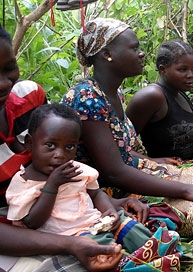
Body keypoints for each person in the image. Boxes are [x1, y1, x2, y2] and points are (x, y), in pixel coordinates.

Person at [0, 25, 146, 272]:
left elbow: (55, 168)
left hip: (61, 215)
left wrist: (107, 204)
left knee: (133, 229)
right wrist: (69, 244)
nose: (4, 83)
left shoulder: (29, 97)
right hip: (20, 230)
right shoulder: (88, 95)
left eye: (9, 69)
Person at [60, 18, 193, 232]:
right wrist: (184, 191)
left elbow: (117, 150)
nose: (142, 53)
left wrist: (149, 160)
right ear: (107, 54)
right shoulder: (87, 98)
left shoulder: (114, 93)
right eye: (134, 48)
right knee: (191, 213)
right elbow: (113, 171)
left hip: (124, 176)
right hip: (100, 191)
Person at [6, 103, 154, 256]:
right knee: (100, 247)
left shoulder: (77, 170)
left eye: (69, 147)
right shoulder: (23, 182)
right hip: (70, 236)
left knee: (129, 226)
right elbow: (31, 223)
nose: (60, 154)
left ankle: (154, 250)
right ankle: (126, 260)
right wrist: (52, 186)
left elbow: (95, 194)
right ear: (30, 143)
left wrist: (108, 210)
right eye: (50, 145)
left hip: (96, 223)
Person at [127, 39, 193, 162]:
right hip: (170, 174)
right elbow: (118, 146)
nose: (191, 75)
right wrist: (154, 162)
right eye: (183, 69)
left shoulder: (179, 93)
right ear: (163, 69)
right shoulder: (152, 96)